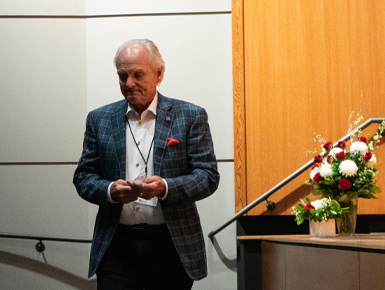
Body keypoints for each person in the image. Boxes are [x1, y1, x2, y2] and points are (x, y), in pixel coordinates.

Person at [73, 39, 220, 290]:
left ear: (159, 74)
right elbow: (83, 176)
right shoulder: (99, 119)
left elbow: (207, 176)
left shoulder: (190, 116)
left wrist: (165, 187)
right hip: (117, 247)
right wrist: (110, 191)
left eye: (137, 74)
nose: (129, 83)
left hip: (171, 246)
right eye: (122, 76)